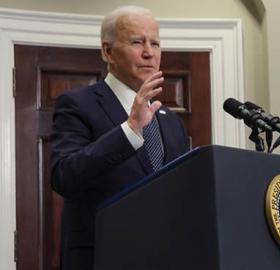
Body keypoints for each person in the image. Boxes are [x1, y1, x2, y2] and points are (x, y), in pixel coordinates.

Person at [50, 6, 189, 270]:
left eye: (155, 43)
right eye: (137, 42)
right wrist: (130, 129)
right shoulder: (77, 104)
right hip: (102, 256)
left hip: (166, 256)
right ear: (108, 51)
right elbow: (64, 176)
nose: (149, 52)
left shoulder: (170, 120)